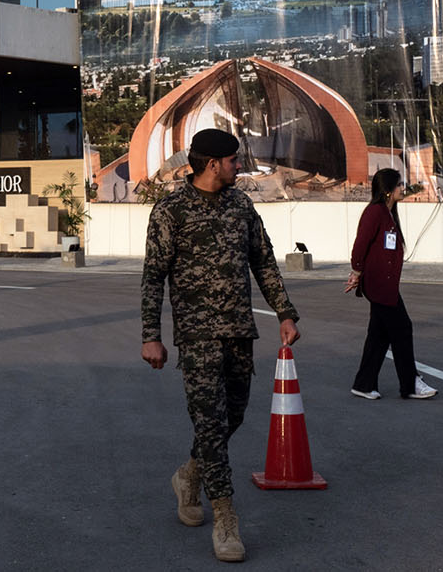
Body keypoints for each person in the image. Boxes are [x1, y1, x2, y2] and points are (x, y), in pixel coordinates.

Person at [141, 127, 301, 564]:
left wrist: (285, 311)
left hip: (239, 333)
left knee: (232, 416)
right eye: (233, 160)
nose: (239, 166)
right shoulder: (170, 210)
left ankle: (189, 474)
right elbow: (153, 276)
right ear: (213, 164)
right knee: (210, 424)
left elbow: (264, 262)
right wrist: (151, 335)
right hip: (196, 338)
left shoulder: (240, 206)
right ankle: (226, 517)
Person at [344, 167, 436, 400]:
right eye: (399, 185)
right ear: (387, 190)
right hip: (379, 285)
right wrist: (356, 271)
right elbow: (360, 244)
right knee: (402, 329)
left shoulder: (388, 213)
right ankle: (411, 383)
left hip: (386, 284)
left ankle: (364, 383)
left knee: (379, 335)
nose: (402, 188)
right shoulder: (374, 212)